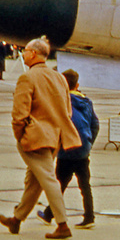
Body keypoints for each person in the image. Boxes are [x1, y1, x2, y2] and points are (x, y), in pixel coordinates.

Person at [0, 37, 81, 240]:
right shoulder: (59, 77)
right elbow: (67, 110)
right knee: (35, 180)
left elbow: (19, 113)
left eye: (25, 51)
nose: (23, 54)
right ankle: (17, 220)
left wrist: (20, 135)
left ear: (33, 54)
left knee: (47, 179)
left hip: (35, 137)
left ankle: (62, 224)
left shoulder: (27, 78)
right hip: (54, 137)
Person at [38, 69, 99, 229]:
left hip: (66, 150)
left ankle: (50, 214)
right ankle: (89, 216)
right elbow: (95, 124)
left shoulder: (62, 101)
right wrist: (89, 142)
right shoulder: (87, 102)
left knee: (59, 184)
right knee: (85, 185)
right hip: (83, 149)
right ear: (77, 84)